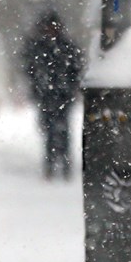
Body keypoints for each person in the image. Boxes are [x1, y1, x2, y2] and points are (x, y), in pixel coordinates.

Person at [23, 11, 84, 180]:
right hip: (49, 94)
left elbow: (75, 68)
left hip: (60, 94)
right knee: (50, 129)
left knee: (60, 129)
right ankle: (53, 162)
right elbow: (30, 69)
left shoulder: (61, 46)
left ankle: (60, 163)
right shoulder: (42, 47)